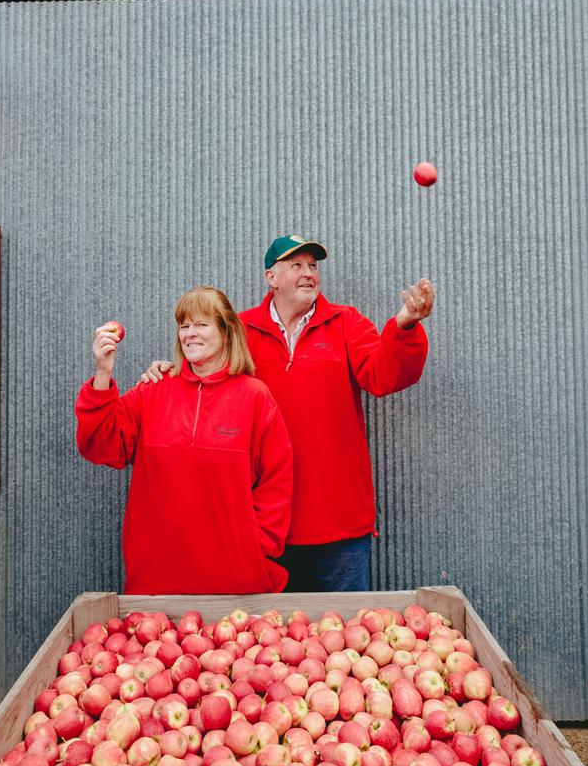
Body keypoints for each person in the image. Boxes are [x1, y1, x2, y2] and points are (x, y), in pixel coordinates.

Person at [141, 236, 434, 591]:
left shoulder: (346, 323)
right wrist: (168, 372)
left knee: (345, 641)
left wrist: (403, 328)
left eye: (313, 266)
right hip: (261, 526)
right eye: (296, 266)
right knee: (268, 642)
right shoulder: (241, 331)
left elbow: (383, 375)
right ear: (271, 277)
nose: (309, 273)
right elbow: (202, 380)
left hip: (338, 525)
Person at [76, 286, 293, 595]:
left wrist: (255, 546)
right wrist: (103, 372)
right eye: (184, 325)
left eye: (201, 324)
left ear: (226, 332)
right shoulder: (153, 390)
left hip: (234, 583)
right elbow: (100, 446)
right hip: (156, 579)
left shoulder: (254, 396)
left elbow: (277, 480)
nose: (190, 333)